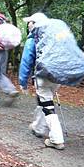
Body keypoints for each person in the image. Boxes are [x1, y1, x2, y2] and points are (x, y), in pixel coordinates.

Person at [19, 12, 65, 150]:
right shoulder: (56, 36)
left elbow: (26, 61)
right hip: (58, 75)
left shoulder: (33, 39)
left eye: (30, 22)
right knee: (44, 100)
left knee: (47, 105)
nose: (28, 24)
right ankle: (38, 127)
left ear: (35, 24)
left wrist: (22, 82)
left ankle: (56, 139)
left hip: (43, 75)